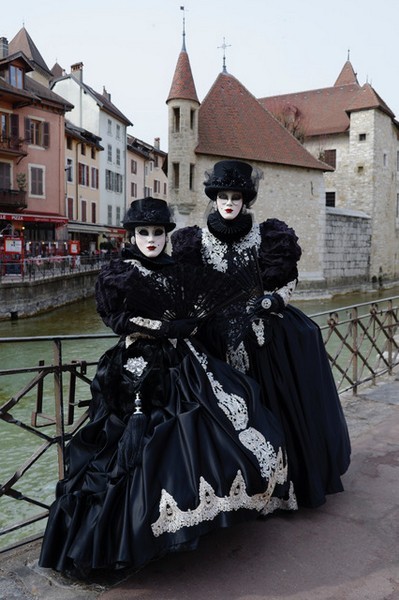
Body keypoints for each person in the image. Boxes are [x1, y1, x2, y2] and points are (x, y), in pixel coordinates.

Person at [39, 197, 295, 578]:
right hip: (138, 366)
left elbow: (201, 308)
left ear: (166, 235)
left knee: (227, 419)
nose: (152, 240)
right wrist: (161, 328)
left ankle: (198, 516)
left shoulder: (178, 269)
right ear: (133, 235)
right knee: (135, 447)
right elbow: (118, 319)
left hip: (185, 360)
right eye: (144, 233)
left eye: (158, 233)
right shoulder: (119, 273)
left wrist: (190, 325)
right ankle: (133, 536)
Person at [171, 161, 351, 509]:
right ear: (214, 198)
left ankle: (278, 490)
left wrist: (273, 299)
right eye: (222, 196)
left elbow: (288, 281)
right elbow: (189, 291)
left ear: (245, 200)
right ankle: (232, 493)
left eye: (235, 197)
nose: (228, 203)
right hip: (214, 341)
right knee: (225, 415)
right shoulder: (194, 241)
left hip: (261, 339)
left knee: (270, 408)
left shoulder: (268, 237)